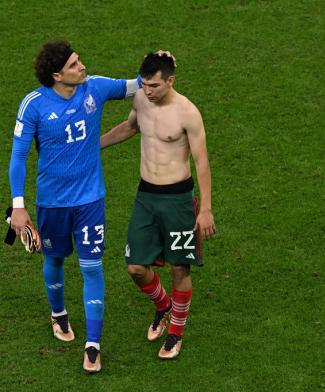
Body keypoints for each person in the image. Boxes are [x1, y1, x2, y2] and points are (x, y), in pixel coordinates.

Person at [8, 41, 170, 372]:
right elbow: (18, 157)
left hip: (90, 200)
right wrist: (18, 206)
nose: (82, 66)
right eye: (74, 64)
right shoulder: (34, 106)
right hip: (52, 203)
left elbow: (135, 84)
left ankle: (93, 345)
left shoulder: (94, 88)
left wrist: (158, 62)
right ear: (57, 75)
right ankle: (58, 314)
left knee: (92, 268)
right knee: (54, 259)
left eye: (79, 60)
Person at [101, 53, 216, 359]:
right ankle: (163, 306)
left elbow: (201, 161)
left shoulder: (188, 113)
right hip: (146, 197)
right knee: (136, 267)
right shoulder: (140, 100)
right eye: (145, 84)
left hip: (178, 200)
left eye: (153, 85)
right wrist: (94, 145)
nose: (147, 90)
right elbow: (129, 128)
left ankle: (176, 332)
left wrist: (205, 209)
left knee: (180, 267)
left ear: (170, 81)